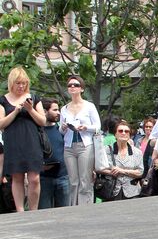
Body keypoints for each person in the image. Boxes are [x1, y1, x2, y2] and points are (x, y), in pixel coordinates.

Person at [0, 66, 47, 211]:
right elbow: (1, 124)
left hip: (31, 142)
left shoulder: (33, 98)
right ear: (11, 83)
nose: (21, 86)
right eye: (18, 83)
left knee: (34, 178)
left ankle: (33, 210)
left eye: (24, 83)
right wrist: (15, 111)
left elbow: (42, 121)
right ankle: (20, 210)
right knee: (17, 178)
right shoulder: (3, 100)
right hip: (13, 142)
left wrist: (30, 109)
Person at [59, 74, 101, 206]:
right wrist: (64, 127)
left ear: (82, 89)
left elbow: (97, 127)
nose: (72, 87)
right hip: (69, 146)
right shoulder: (64, 108)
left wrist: (85, 127)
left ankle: (85, 207)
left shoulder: (89, 106)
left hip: (85, 145)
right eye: (70, 85)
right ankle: (73, 207)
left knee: (85, 179)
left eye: (76, 85)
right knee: (73, 180)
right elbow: (60, 130)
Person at [97, 119, 144, 200]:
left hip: (132, 192)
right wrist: (111, 172)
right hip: (112, 191)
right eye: (120, 131)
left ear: (129, 135)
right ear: (115, 134)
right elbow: (98, 168)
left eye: (126, 131)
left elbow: (140, 172)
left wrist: (121, 171)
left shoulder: (137, 152)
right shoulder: (106, 150)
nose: (123, 133)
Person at [39, 99, 70, 209]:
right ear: (44, 111)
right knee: (43, 214)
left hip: (63, 177)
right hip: (43, 179)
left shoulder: (61, 129)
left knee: (65, 213)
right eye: (55, 110)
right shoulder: (37, 131)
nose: (58, 112)